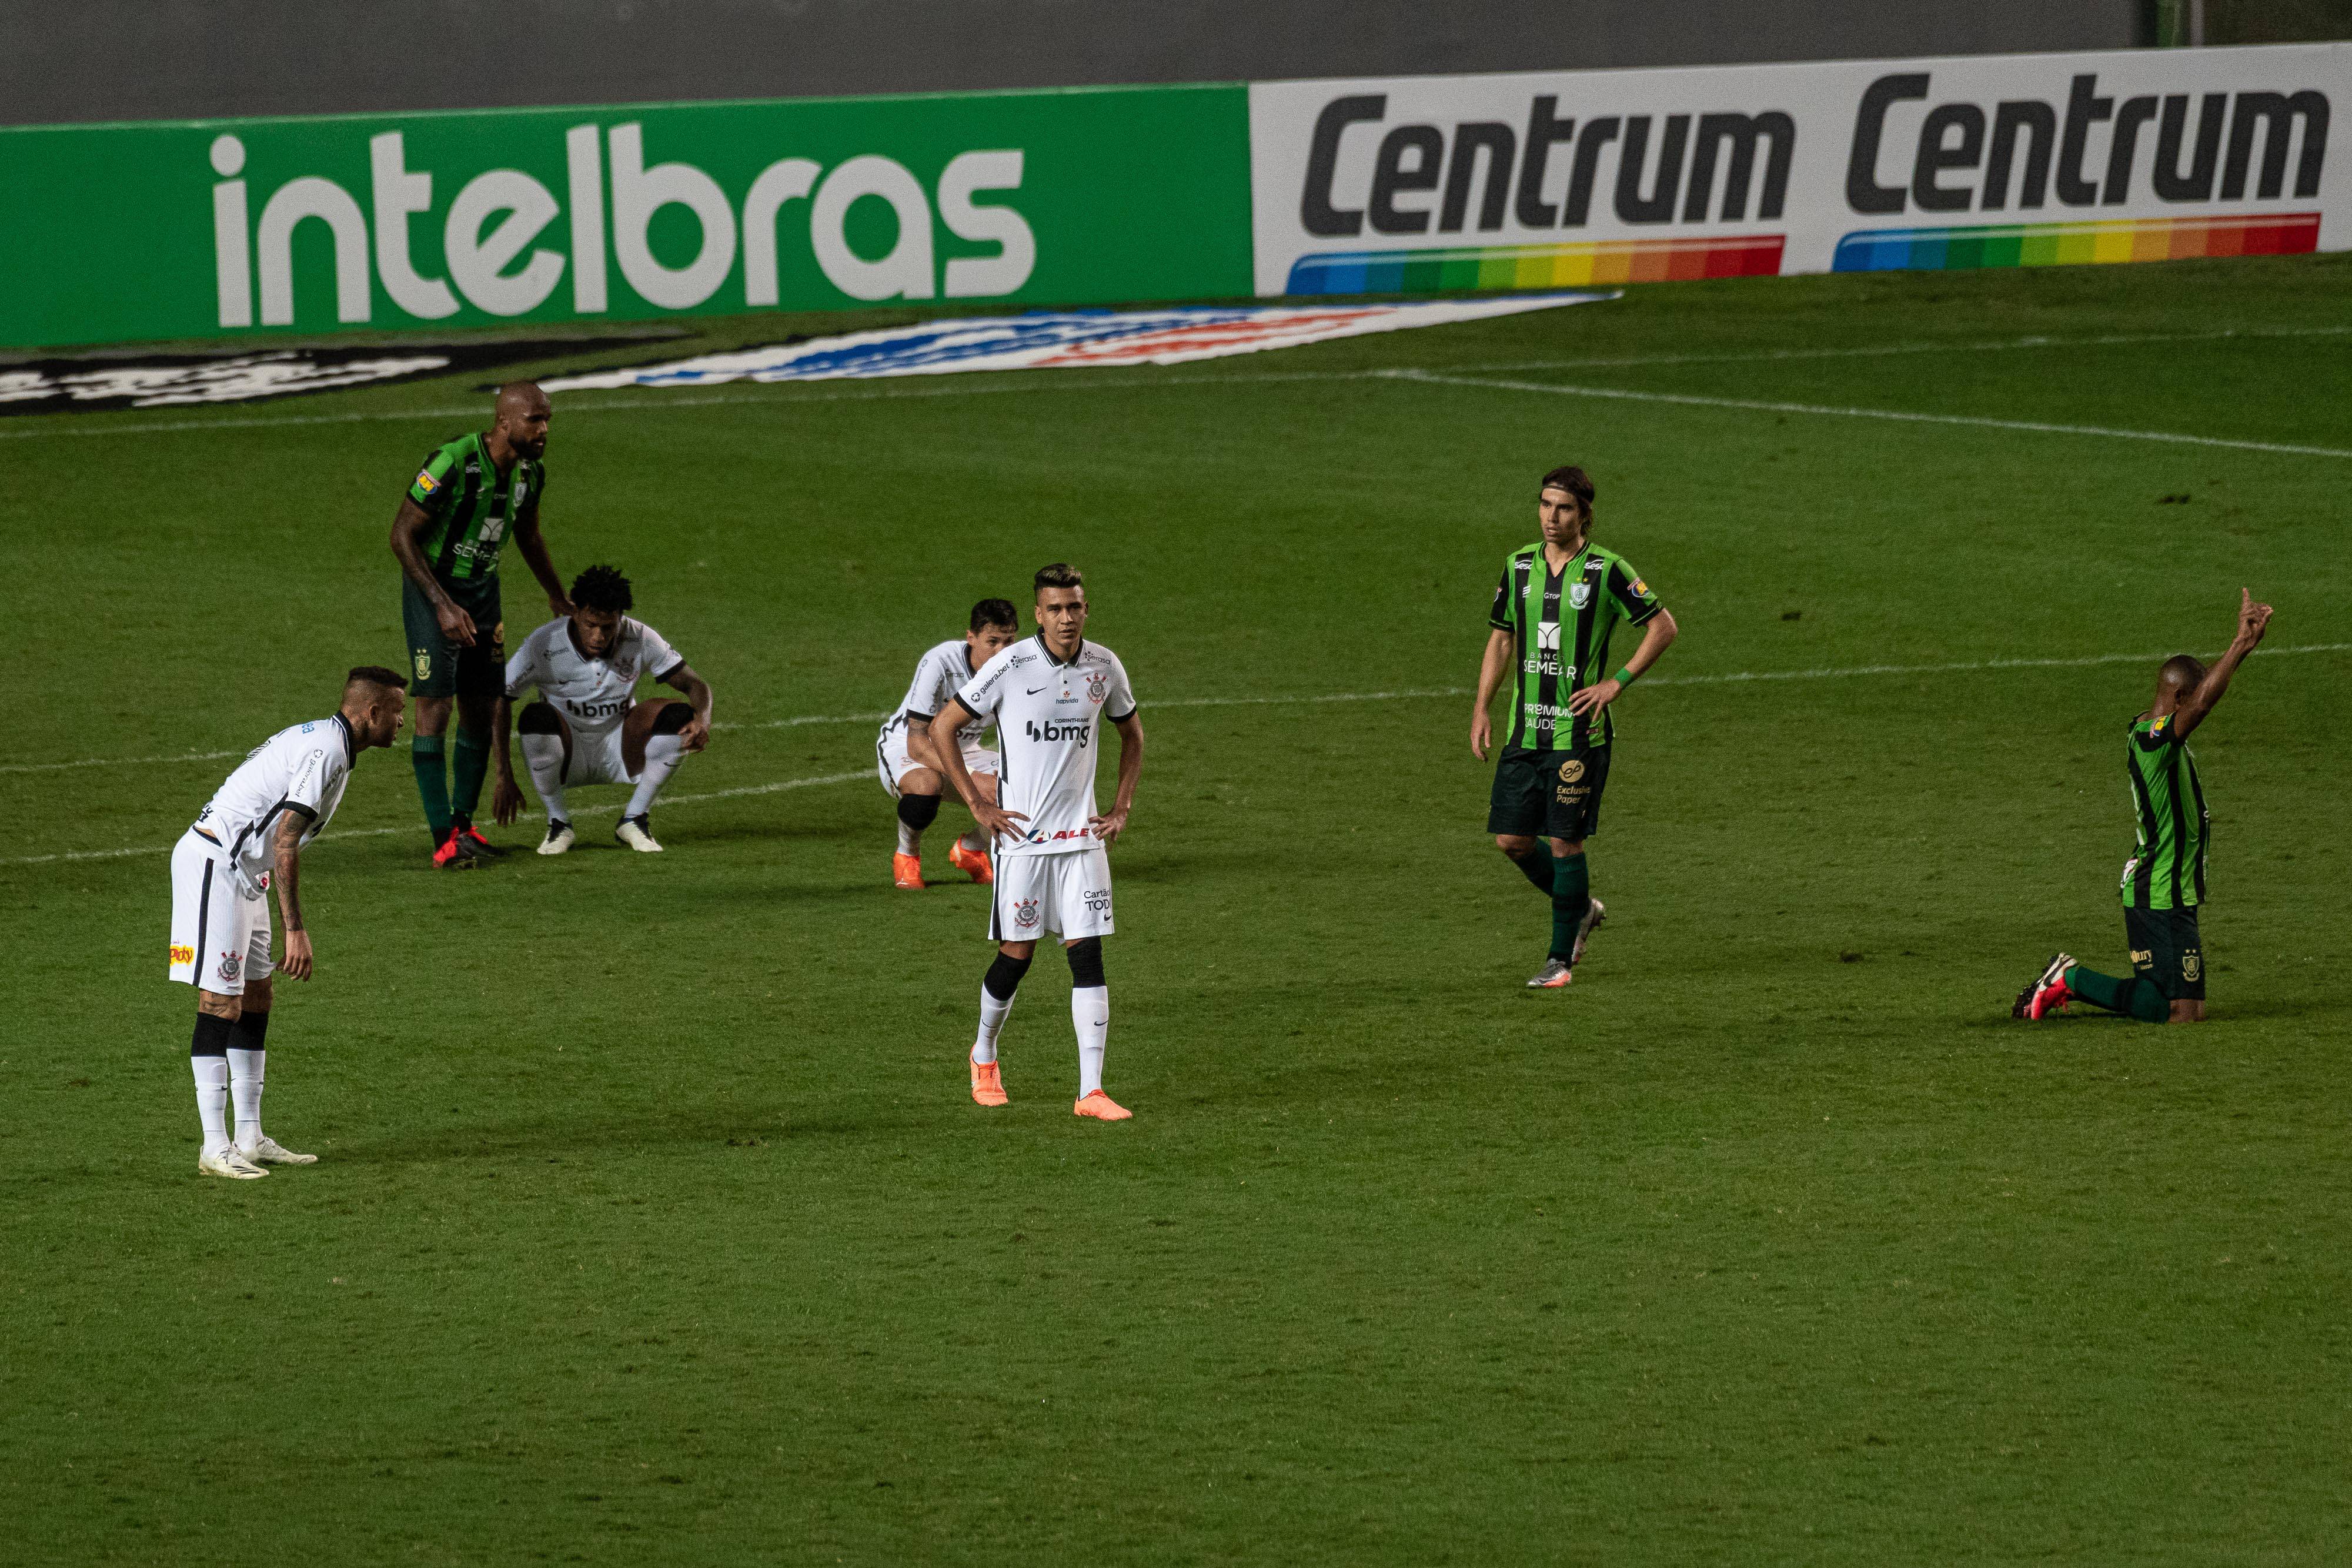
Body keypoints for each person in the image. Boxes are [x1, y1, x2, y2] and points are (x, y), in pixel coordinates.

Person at [168, 668, 407, 1179]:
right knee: (221, 1000)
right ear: (372, 713)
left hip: (246, 871)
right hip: (216, 863)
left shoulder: (331, 743)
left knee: (257, 995)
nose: (402, 722)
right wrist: (295, 927)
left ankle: (249, 1136)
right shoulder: (328, 750)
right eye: (397, 711)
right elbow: (284, 841)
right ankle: (215, 1146)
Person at [930, 563, 1144, 1120]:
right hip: (1022, 842)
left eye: (1075, 606)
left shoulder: (1105, 665)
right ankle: (984, 1053)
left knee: (1088, 954)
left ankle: (1090, 1091)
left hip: (1081, 839)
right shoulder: (1010, 665)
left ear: (1086, 609)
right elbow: (942, 726)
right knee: (1016, 956)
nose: (1066, 618)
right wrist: (977, 804)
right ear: (1039, 614)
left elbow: (1132, 733)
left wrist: (1120, 806)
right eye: (1055, 608)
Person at [2016, 590, 2274, 1025]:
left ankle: (2069, 978)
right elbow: (2204, 703)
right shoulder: (2151, 742)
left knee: (2181, 1010)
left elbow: (2200, 700)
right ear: (2178, 700)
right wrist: (2240, 645)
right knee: (2173, 1011)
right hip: (2156, 891)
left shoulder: (2160, 740)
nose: (2196, 714)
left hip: (2177, 889)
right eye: (2190, 704)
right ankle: (2070, 977)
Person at [1471, 464, 1679, 989]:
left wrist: (1617, 682)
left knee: (1565, 843)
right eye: (1545, 505)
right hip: (1525, 732)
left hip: (1579, 735)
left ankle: (1559, 959)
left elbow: (1663, 626)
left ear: (1584, 514)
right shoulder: (1518, 566)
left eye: (1563, 508)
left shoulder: (1607, 570)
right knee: (1511, 840)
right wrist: (1481, 707)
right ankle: (1583, 908)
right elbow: (1501, 639)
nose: (1551, 517)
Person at [390, 381, 571, 869]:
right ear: (505, 422)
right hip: (435, 590)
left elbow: (529, 535)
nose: (545, 429)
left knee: (481, 705)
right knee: (436, 708)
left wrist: (555, 592)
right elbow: (401, 534)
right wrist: (442, 604)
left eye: (547, 419)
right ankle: (442, 840)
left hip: (483, 592)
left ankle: (463, 825)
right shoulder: (453, 462)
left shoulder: (530, 475)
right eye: (535, 419)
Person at [491, 564, 713, 855]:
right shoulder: (543, 645)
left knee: (680, 717)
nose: (598, 636)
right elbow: (500, 699)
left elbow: (695, 685)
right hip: (565, 751)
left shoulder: (639, 637)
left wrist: (703, 720)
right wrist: (503, 775)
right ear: (575, 613)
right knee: (535, 717)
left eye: (608, 627)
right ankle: (558, 823)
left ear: (621, 617)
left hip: (622, 746)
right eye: (590, 625)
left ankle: (635, 819)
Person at [876, 599, 1020, 888]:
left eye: (1009, 642)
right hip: (910, 745)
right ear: (971, 637)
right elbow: (917, 744)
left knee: (1020, 788)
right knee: (925, 788)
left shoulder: (1017, 668)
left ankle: (970, 847)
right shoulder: (941, 662)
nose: (1001, 651)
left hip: (966, 749)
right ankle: (907, 854)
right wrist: (971, 779)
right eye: (992, 641)